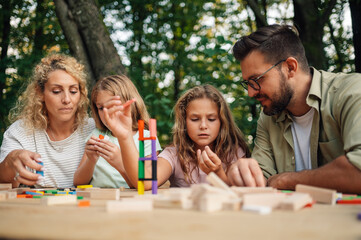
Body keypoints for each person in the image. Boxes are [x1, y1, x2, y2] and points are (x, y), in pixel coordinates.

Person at [228, 24, 361, 193]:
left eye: (257, 80)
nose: (250, 92)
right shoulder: (269, 117)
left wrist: (286, 180)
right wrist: (243, 174)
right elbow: (262, 180)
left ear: (290, 67)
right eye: (247, 83)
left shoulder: (351, 93)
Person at [102, 84, 250, 188]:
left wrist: (217, 172)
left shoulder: (235, 153)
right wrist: (125, 136)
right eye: (195, 119)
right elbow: (146, 182)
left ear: (222, 122)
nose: (203, 125)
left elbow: (240, 193)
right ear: (184, 122)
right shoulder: (173, 155)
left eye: (211, 119)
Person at [0, 54, 95, 188]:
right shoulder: (20, 132)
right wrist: (11, 161)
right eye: (57, 91)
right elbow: (3, 181)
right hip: (36, 209)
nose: (67, 99)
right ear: (40, 93)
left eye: (73, 91)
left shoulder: (94, 129)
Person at [73, 75, 162, 188]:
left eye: (113, 106)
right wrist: (91, 161)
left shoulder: (147, 138)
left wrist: (120, 163)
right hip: (98, 200)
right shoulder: (97, 135)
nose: (106, 114)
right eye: (101, 108)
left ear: (130, 104)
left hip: (130, 201)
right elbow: (78, 183)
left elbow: (145, 185)